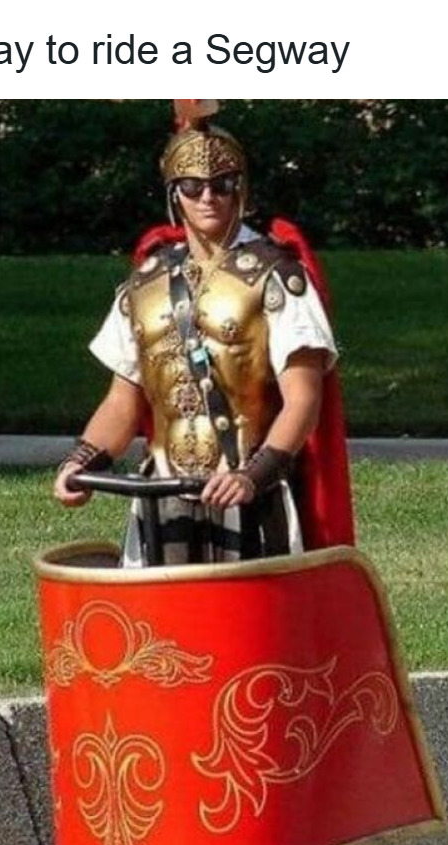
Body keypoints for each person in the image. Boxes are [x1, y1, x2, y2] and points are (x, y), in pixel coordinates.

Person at [54, 107, 348, 567]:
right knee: (161, 630)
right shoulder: (144, 284)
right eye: (192, 186)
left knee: (255, 630)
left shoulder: (277, 277)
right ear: (175, 194)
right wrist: (83, 460)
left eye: (223, 185)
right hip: (161, 493)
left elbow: (303, 399)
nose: (208, 196)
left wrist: (256, 474)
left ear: (241, 190)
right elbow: (122, 401)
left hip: (252, 496)